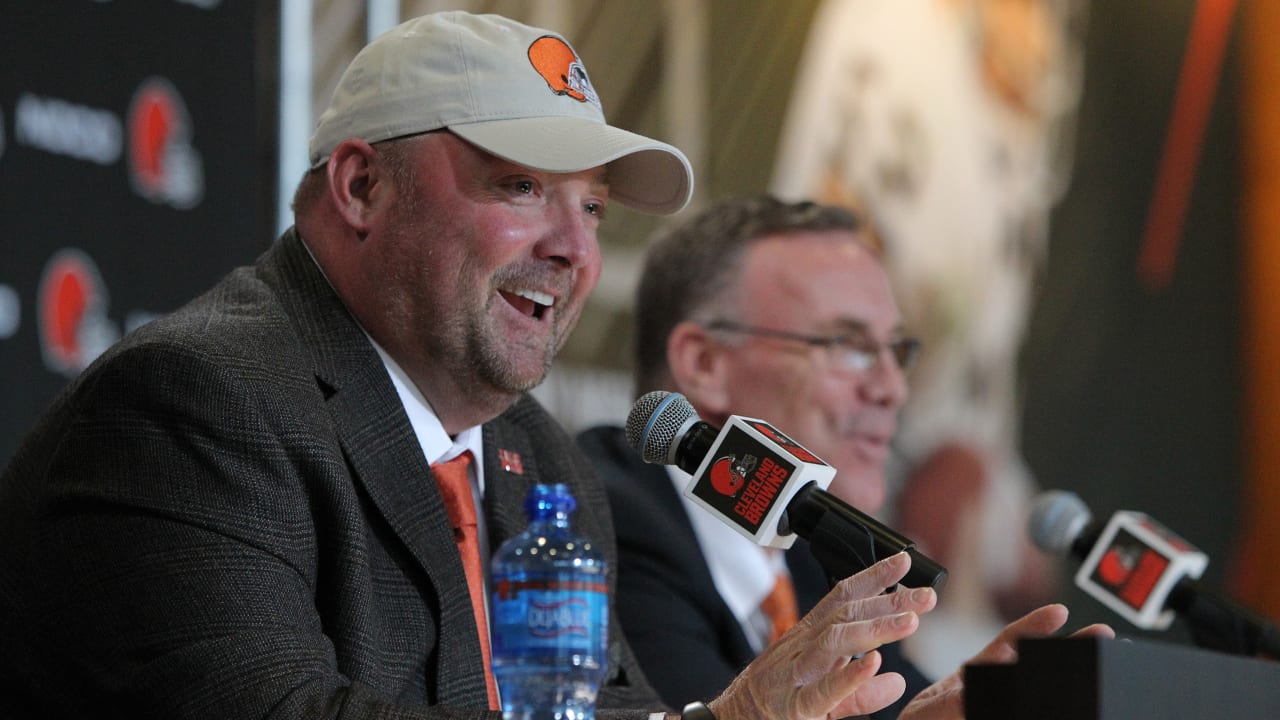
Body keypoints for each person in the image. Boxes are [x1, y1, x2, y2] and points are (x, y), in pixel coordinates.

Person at [0, 12, 949, 720]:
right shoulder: (194, 406)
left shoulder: (538, 456)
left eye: (593, 210)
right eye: (523, 186)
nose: (574, 250)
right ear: (363, 185)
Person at [578, 196, 1111, 718]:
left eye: (896, 351)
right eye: (848, 346)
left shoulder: (813, 554)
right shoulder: (604, 522)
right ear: (705, 363)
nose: (891, 389)